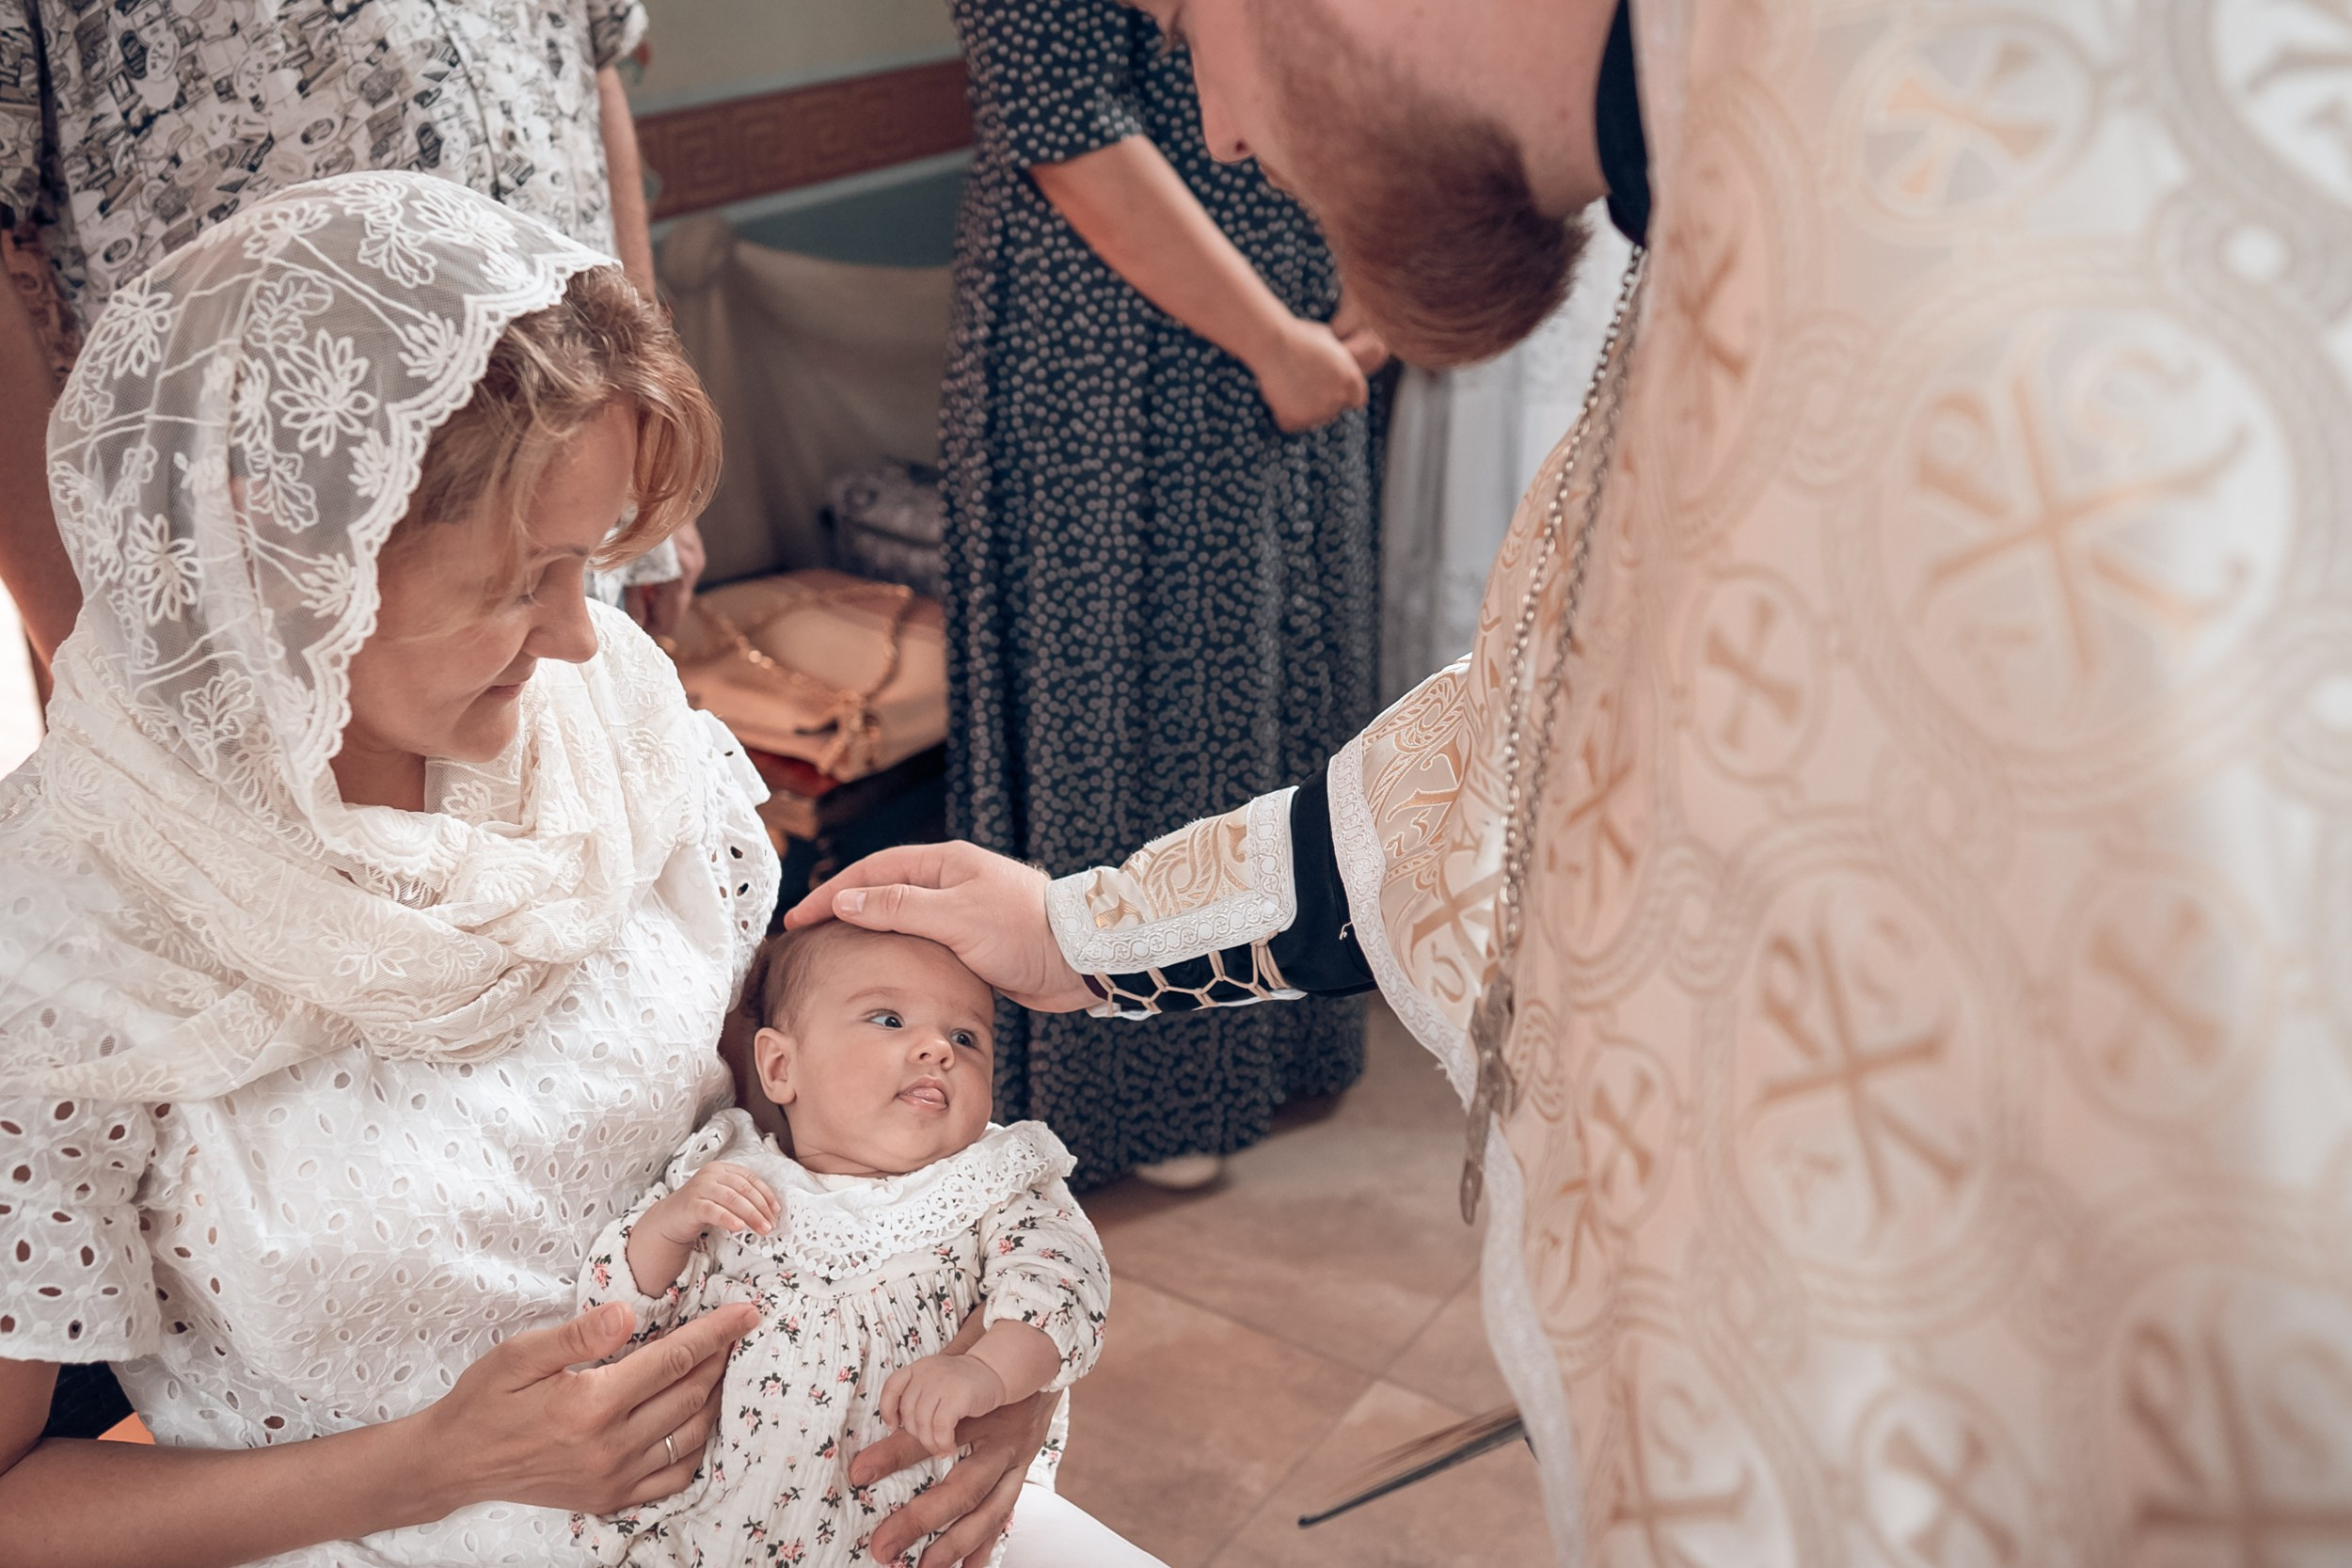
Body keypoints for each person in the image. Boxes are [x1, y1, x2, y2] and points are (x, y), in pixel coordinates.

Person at [787, 0, 2352, 1561]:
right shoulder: (1759, 161)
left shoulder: (2028, 200)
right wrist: (1083, 932)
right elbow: (1542, 755)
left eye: (1194, 25)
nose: (1224, 128)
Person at [0, 173, 1066, 1568]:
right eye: (520, 581)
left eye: (590, 565)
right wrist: (429, 1464)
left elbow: (824, 1127)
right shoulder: (66, 937)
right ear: (286, 549)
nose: (578, 637)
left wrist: (996, 1363)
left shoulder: (609, 730)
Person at [940, 0, 1391, 1188]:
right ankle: (1144, 1093)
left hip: (1283, 309)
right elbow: (1065, 122)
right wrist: (1273, 341)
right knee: (1148, 700)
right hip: (1124, 336)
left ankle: (1278, 1036)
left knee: (1276, 675)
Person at [0, 0, 704, 672]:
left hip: (573, 530)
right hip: (277, 591)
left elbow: (591, 63)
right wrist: (86, 652)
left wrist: (639, 471)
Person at [574, 922, 1147, 1567]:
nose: (937, 1048)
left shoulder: (992, 1181)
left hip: (901, 1538)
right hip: (711, 1532)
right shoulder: (729, 1174)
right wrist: (669, 1225)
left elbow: (1065, 1285)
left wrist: (988, 1371)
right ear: (781, 1065)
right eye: (889, 1018)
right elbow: (616, 1309)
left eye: (966, 1036)